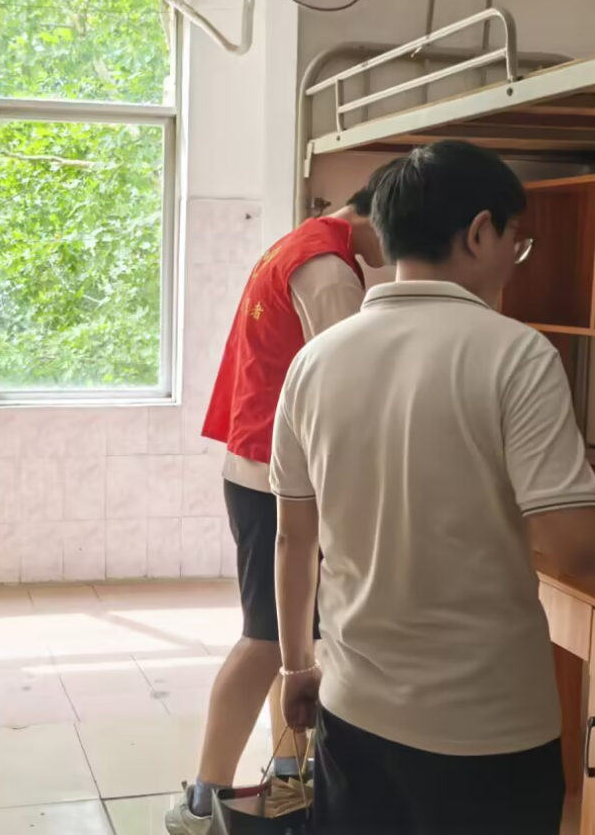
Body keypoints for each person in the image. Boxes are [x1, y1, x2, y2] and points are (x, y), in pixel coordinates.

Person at [272, 140, 595, 834]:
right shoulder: (515, 353)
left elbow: (293, 540)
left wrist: (296, 667)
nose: (514, 256)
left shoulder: (314, 362)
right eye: (516, 239)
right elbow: (577, 545)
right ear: (479, 232)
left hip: (352, 716)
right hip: (483, 733)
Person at [166, 170, 390, 834]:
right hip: (279, 479)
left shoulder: (299, 245)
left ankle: (287, 775)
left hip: (257, 467)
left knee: (290, 636)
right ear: (376, 216)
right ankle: (203, 801)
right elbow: (349, 392)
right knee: (268, 639)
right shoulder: (329, 272)